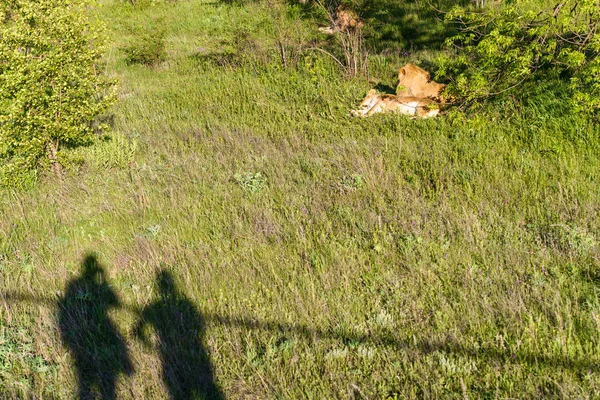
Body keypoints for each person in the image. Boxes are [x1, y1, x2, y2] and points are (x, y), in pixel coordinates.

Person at [134, 270, 223, 400]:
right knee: (206, 385)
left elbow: (137, 330)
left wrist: (148, 344)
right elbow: (199, 323)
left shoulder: (157, 306)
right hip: (191, 347)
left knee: (179, 387)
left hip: (171, 351)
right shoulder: (183, 302)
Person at [58, 254, 133, 399]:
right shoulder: (80, 284)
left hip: (89, 333)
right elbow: (115, 302)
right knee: (98, 380)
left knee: (86, 379)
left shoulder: (75, 283)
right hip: (94, 330)